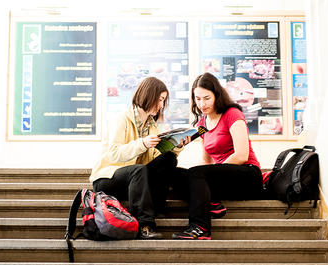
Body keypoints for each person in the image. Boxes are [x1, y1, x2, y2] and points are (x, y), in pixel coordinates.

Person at [90, 77, 186, 239]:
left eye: (163, 101)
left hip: (135, 180)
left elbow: (154, 158)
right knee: (138, 170)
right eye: (160, 100)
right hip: (107, 178)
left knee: (168, 159)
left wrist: (177, 146)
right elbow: (114, 153)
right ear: (149, 96)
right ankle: (144, 225)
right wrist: (142, 143)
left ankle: (157, 207)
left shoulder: (151, 125)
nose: (162, 105)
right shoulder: (122, 119)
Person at [172, 72, 263, 240]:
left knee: (196, 174)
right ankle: (211, 202)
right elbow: (205, 161)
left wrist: (205, 175)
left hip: (248, 174)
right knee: (175, 174)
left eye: (206, 98)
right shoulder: (202, 124)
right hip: (222, 179)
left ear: (217, 95)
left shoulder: (232, 114)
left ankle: (200, 227)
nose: (202, 104)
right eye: (197, 99)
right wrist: (194, 176)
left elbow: (241, 154)